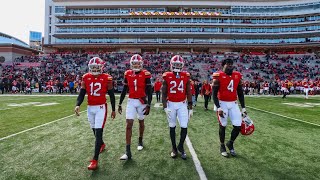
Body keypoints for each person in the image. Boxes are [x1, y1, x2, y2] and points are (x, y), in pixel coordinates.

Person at [74, 57, 116, 170]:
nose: (95, 69)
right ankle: (102, 144)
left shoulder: (107, 78)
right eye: (92, 68)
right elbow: (82, 93)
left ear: (101, 67)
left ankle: (95, 160)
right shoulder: (86, 77)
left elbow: (111, 95)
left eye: (96, 67)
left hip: (101, 108)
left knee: (98, 133)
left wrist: (113, 109)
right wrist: (77, 104)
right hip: (90, 107)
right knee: (94, 131)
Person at [118, 54, 152, 160]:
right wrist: (119, 103)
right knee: (129, 124)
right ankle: (128, 151)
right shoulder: (127, 73)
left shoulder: (146, 74)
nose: (136, 65)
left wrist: (149, 105)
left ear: (141, 64)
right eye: (134, 63)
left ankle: (140, 140)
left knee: (141, 121)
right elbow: (124, 90)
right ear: (131, 64)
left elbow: (150, 91)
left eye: (138, 63)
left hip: (141, 101)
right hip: (131, 101)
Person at [212, 58, 247, 157]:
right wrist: (218, 107)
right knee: (223, 125)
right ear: (223, 65)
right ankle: (222, 145)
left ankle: (230, 143)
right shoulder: (218, 76)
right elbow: (214, 94)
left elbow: (240, 92)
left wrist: (243, 107)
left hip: (233, 103)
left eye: (231, 64)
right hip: (222, 103)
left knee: (238, 125)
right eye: (228, 64)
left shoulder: (237, 75)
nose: (230, 66)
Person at [162, 55, 193, 160]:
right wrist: (165, 107)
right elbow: (163, 92)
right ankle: (174, 148)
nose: (177, 67)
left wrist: (191, 107)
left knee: (184, 126)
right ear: (171, 65)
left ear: (182, 65)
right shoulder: (167, 75)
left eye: (179, 65)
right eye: (175, 65)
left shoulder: (186, 76)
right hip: (171, 103)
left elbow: (188, 91)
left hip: (182, 104)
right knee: (172, 126)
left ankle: (181, 146)